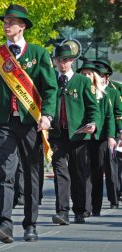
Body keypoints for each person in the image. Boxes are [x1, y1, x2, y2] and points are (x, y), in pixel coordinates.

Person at [0, 4, 58, 243]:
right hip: (4, 123)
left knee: (32, 174)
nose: (6, 25)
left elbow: (50, 88)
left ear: (23, 26)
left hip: (31, 123)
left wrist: (47, 115)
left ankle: (30, 225)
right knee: (5, 172)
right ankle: (4, 224)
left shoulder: (39, 54)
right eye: (5, 21)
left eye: (11, 22)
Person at [50, 46, 100, 226]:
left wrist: (93, 124)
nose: (62, 64)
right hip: (57, 134)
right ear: (55, 62)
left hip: (78, 134)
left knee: (78, 173)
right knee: (60, 173)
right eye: (59, 60)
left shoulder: (82, 81)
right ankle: (62, 212)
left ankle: (79, 210)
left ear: (72, 61)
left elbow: (93, 107)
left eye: (65, 60)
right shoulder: (51, 81)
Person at [77, 61, 116, 216]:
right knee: (82, 171)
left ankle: (96, 206)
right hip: (81, 136)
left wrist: (111, 137)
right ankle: (85, 207)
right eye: (84, 73)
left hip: (99, 138)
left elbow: (109, 117)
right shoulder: (77, 90)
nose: (86, 76)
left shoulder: (103, 94)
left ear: (94, 76)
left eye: (89, 73)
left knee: (97, 172)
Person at [93, 59, 122, 203]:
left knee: (111, 166)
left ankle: (114, 199)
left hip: (112, 133)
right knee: (96, 167)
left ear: (107, 77)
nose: (100, 78)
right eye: (98, 74)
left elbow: (118, 113)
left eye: (103, 75)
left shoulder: (114, 91)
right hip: (94, 133)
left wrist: (119, 131)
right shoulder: (90, 89)